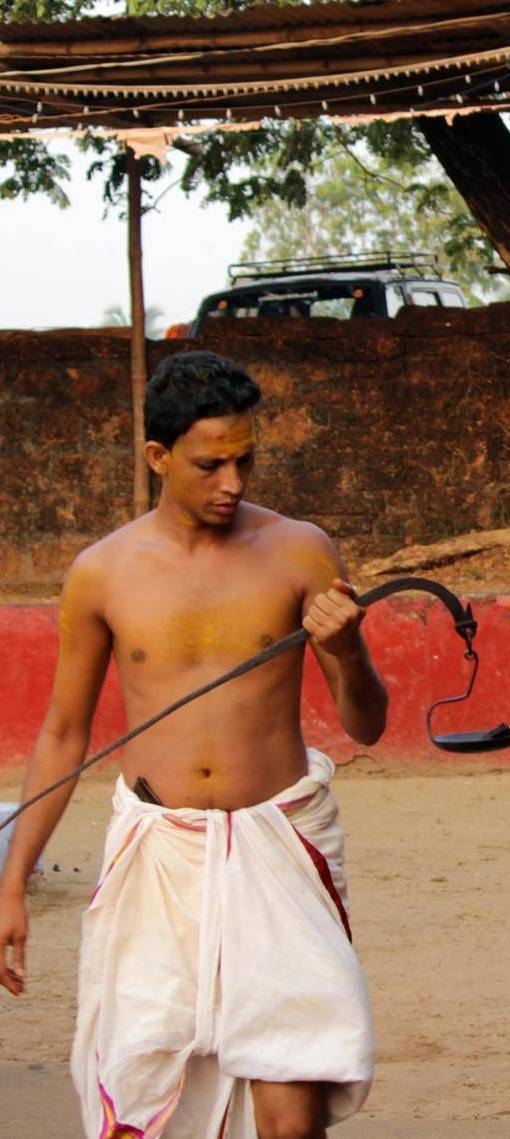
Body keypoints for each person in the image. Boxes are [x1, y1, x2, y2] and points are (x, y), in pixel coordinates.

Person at [0, 351, 387, 1139]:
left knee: (291, 1110)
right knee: (149, 1093)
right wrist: (12, 883)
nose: (233, 482)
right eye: (211, 464)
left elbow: (367, 724)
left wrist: (347, 651)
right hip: (158, 853)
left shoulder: (300, 550)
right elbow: (63, 733)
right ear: (157, 456)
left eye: (246, 459)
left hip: (278, 840)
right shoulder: (102, 572)